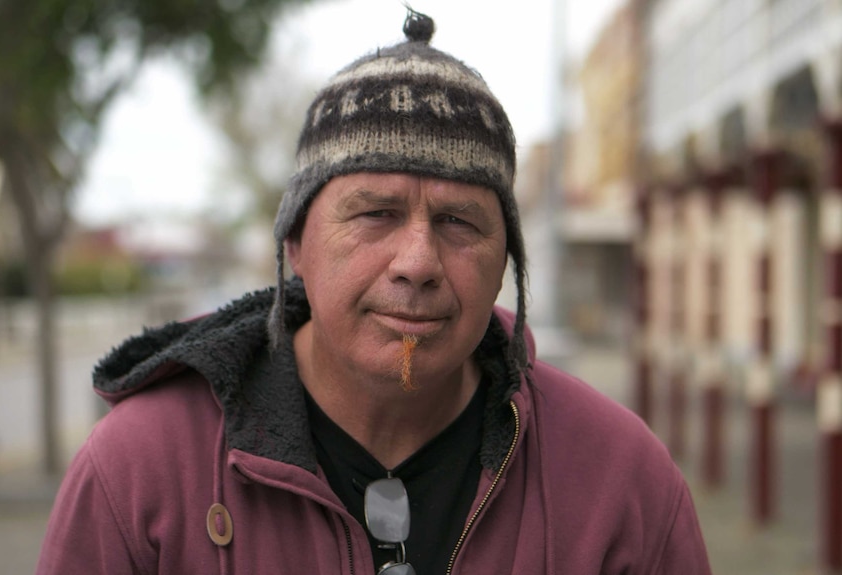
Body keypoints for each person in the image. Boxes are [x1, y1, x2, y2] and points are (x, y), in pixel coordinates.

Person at [37, 9, 711, 575]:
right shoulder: (143, 470)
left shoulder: (621, 482)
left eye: (459, 222)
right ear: (295, 244)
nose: (417, 262)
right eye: (374, 214)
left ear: (507, 259)